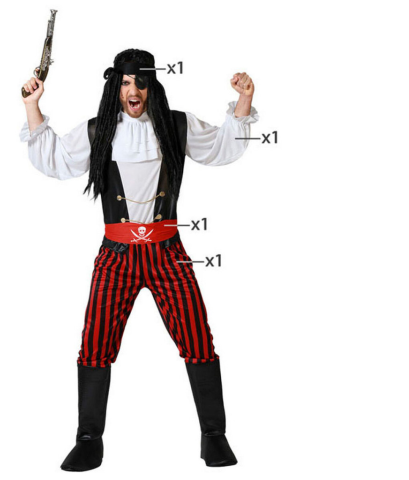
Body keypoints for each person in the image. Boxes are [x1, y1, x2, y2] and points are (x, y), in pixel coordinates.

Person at [20, 48, 258, 471]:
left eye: (140, 83)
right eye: (126, 83)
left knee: (197, 338)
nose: (134, 90)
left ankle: (214, 436)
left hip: (168, 254)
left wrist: (244, 99)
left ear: (152, 86)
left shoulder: (176, 126)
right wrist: (31, 105)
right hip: (116, 257)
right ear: (116, 87)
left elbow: (223, 148)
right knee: (95, 342)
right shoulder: (99, 131)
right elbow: (54, 159)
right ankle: (88, 440)